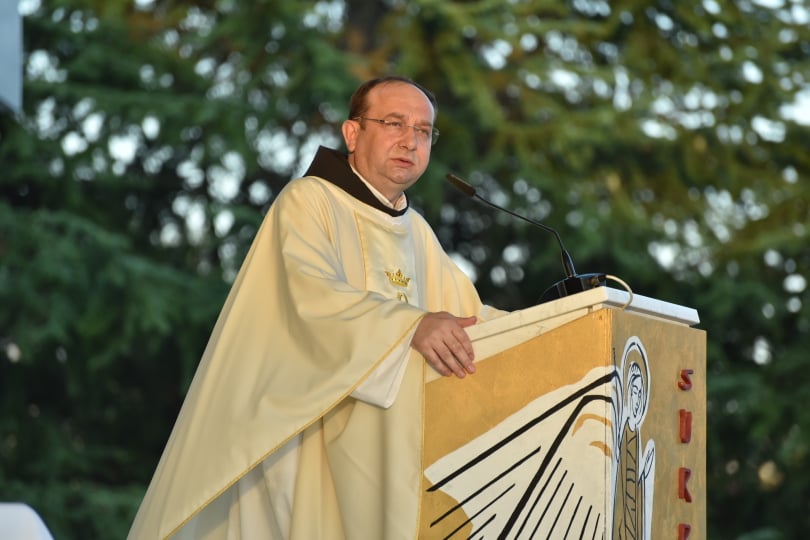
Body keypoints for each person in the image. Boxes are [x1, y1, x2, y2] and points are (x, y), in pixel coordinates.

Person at [128, 75, 504, 540]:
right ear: (352, 133)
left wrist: (564, 320)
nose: (411, 140)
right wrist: (411, 326)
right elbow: (308, 300)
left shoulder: (417, 232)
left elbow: (470, 318)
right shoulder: (308, 201)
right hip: (307, 442)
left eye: (424, 131)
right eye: (394, 123)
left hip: (393, 457)